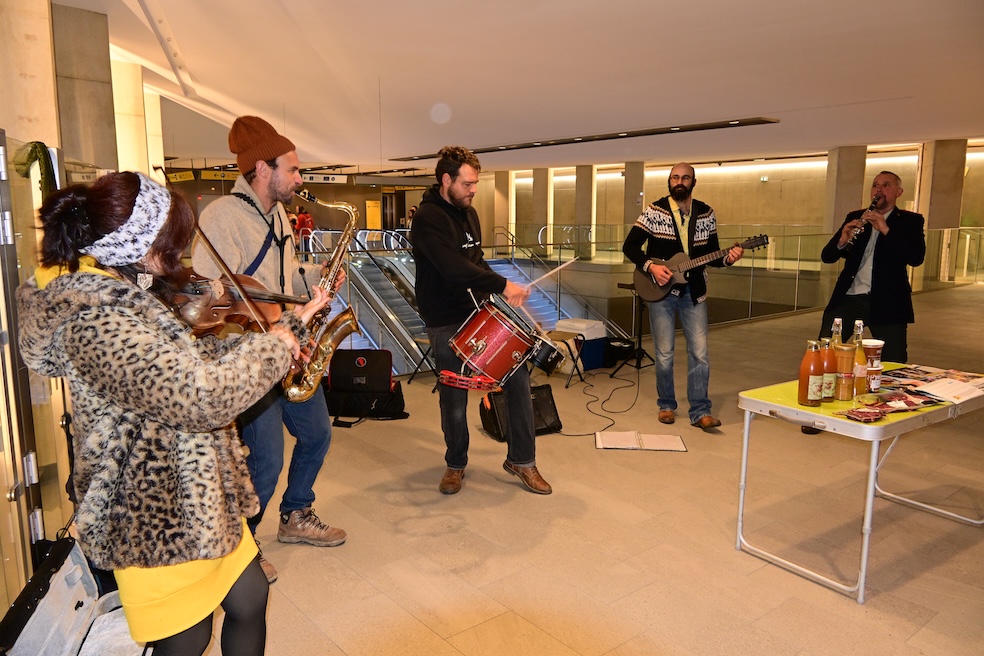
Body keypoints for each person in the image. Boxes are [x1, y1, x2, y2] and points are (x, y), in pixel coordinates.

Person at [16, 171, 330, 654]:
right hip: (153, 512)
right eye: (173, 243)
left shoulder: (133, 295)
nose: (180, 256)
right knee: (188, 637)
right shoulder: (96, 319)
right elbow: (198, 395)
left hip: (199, 494)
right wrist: (273, 350)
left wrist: (287, 328)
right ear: (140, 246)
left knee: (249, 596)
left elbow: (194, 362)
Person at [192, 116, 347, 584]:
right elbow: (208, 293)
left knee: (318, 434)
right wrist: (248, 297)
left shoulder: (278, 215)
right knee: (266, 459)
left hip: (290, 345)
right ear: (263, 168)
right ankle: (244, 541)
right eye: (294, 169)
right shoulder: (221, 217)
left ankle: (296, 513)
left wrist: (315, 277)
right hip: (250, 356)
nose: (300, 179)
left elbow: (287, 276)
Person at [410, 145, 552, 495]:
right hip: (444, 317)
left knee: (517, 375)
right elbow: (452, 268)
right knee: (454, 397)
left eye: (475, 183)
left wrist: (501, 287)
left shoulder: (469, 213)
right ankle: (455, 464)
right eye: (468, 183)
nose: (474, 190)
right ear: (446, 180)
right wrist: (503, 284)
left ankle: (522, 459)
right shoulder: (428, 218)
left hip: (478, 312)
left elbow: (474, 262)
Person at [622, 162, 744, 431]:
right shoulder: (654, 211)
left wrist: (730, 259)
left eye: (685, 178)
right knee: (664, 353)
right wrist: (651, 267)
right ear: (669, 181)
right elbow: (629, 246)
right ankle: (666, 404)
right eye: (675, 177)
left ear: (693, 182)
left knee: (699, 353)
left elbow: (712, 256)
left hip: (695, 292)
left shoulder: (707, 213)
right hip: (660, 291)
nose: (679, 181)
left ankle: (701, 411)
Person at [818, 170, 926, 363]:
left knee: (894, 360)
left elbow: (916, 257)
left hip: (888, 300)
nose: (879, 190)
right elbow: (827, 257)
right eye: (876, 185)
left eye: (886, 185)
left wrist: (885, 229)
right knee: (825, 351)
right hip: (849, 298)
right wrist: (842, 240)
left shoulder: (910, 221)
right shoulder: (856, 216)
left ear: (898, 192)